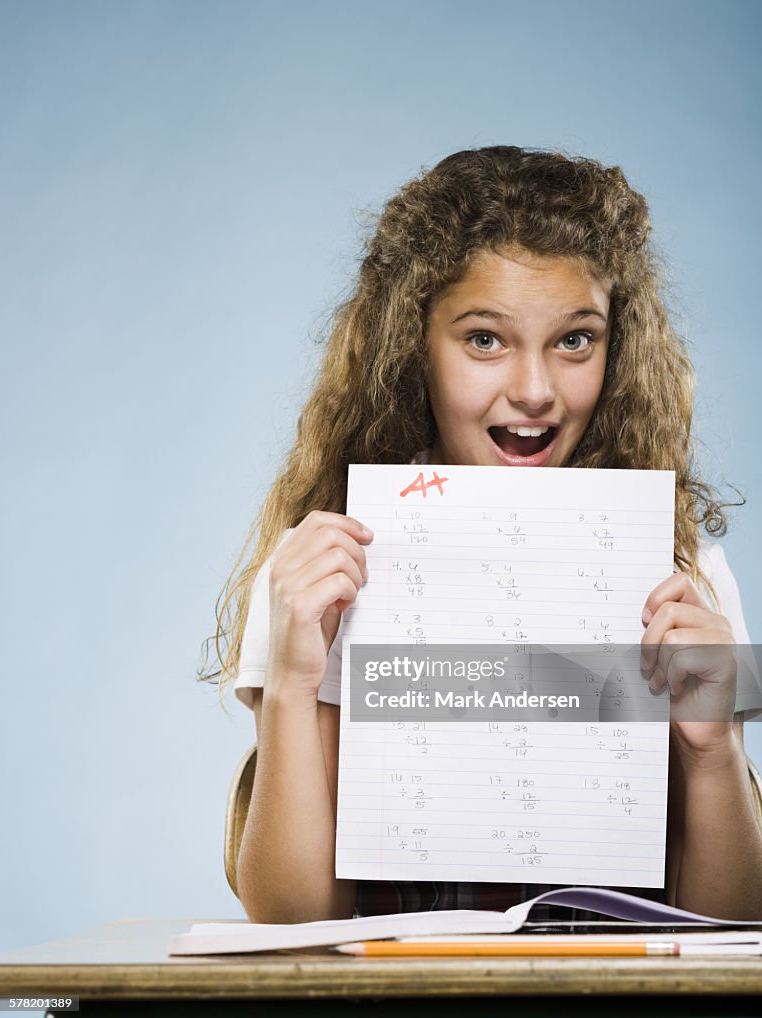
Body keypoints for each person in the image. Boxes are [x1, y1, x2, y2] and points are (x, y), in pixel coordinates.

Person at [202, 146, 762, 924]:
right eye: (485, 339)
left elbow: (735, 932)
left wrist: (714, 755)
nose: (534, 391)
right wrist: (293, 692)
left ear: (616, 347)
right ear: (413, 350)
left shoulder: (682, 571)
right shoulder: (321, 567)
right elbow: (293, 924)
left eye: (575, 340)